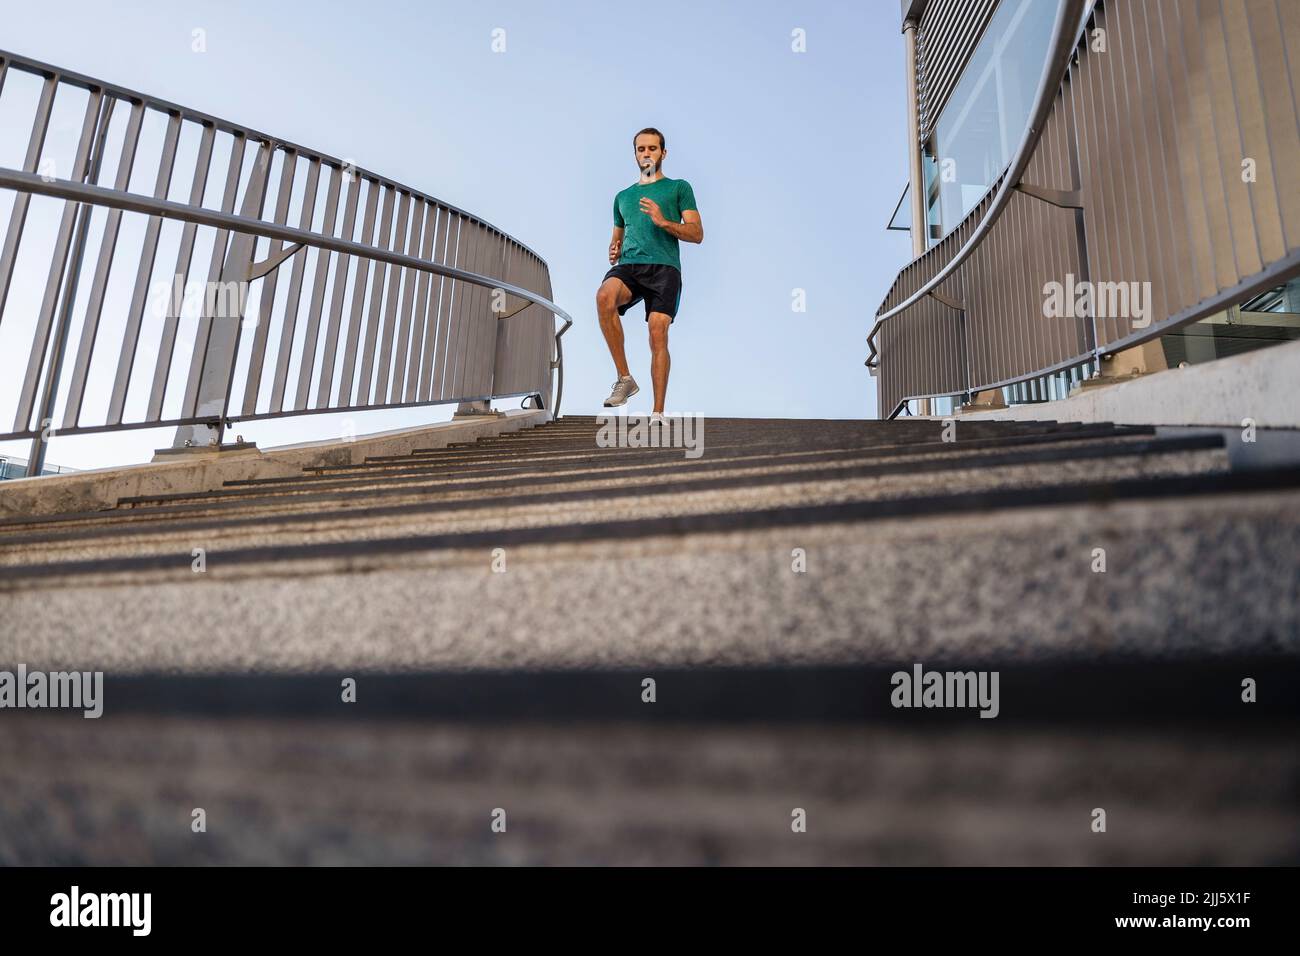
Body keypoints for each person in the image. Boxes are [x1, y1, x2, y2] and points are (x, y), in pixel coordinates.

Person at [596, 127, 703, 418]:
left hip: (665, 268)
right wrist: (613, 251)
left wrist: (663, 221)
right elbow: (616, 237)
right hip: (630, 267)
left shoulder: (679, 188)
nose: (646, 153)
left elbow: (696, 233)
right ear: (635, 155)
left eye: (652, 149)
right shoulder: (622, 197)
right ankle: (625, 379)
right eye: (641, 149)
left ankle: (657, 414)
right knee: (604, 297)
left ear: (663, 153)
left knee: (657, 332)